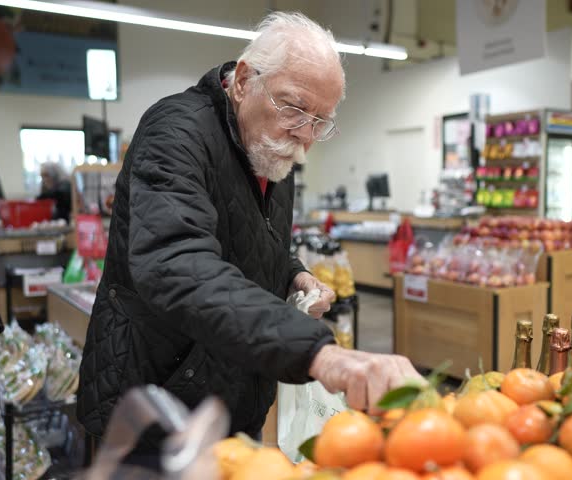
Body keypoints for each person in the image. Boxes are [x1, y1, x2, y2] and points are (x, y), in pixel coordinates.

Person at [77, 11, 421, 459]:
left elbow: (252, 239)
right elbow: (178, 263)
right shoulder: (174, 133)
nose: (305, 135)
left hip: (235, 394)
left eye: (321, 121)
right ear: (243, 82)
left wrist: (292, 274)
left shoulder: (273, 149)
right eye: (294, 107)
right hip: (154, 402)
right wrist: (318, 353)